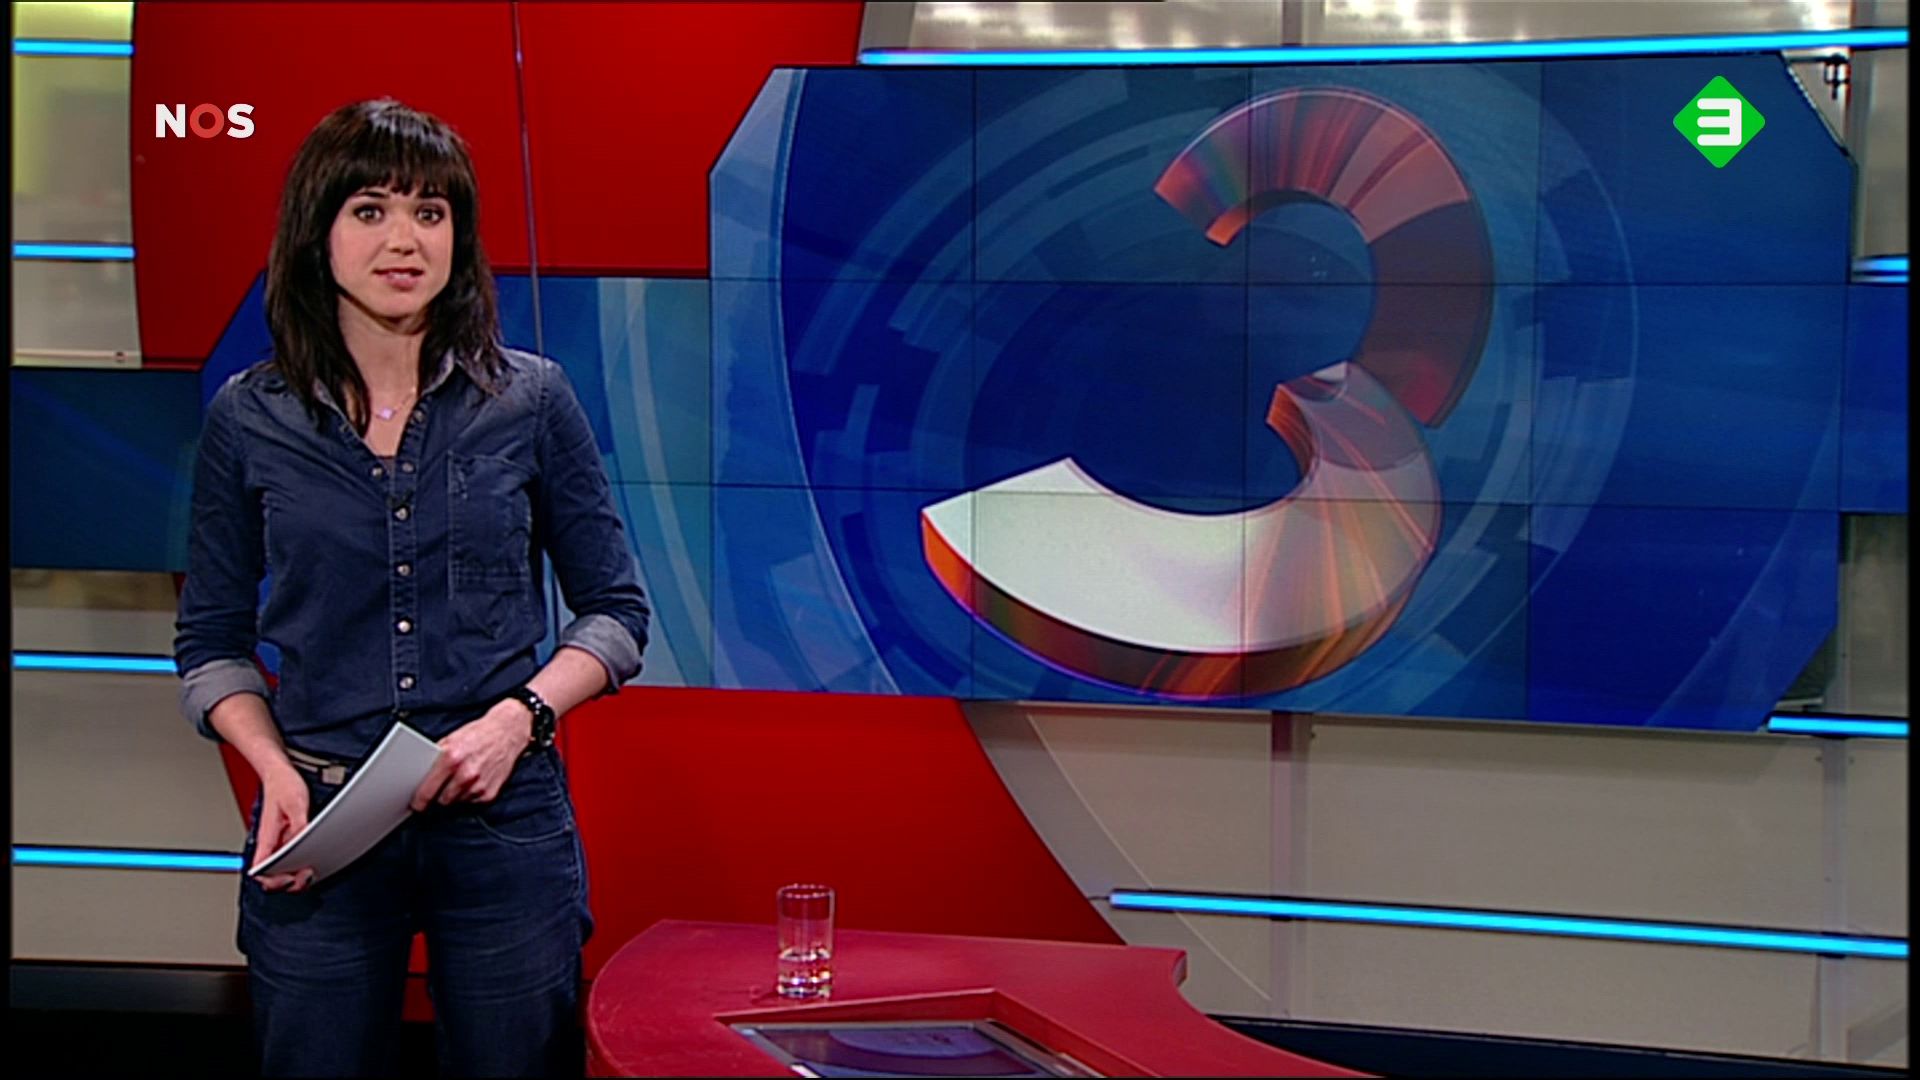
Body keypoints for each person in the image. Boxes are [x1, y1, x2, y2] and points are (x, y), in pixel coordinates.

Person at [173, 98, 650, 1078]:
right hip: (321, 813)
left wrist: (516, 720)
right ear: (318, 234)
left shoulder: (531, 400)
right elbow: (211, 644)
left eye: (431, 213)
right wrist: (272, 771)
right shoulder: (249, 419)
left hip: (502, 821)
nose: (405, 239)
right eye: (372, 210)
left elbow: (616, 613)